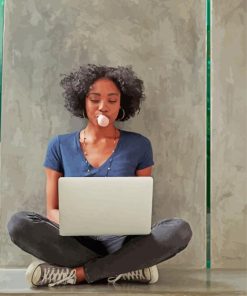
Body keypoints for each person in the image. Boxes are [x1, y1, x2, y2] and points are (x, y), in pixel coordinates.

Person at [7, 64, 193, 288]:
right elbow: (52, 209)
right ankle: (125, 269)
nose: (103, 107)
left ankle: (79, 274)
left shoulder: (140, 145)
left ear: (121, 104)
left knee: (179, 230)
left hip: (124, 242)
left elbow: (142, 207)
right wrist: (74, 223)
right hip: (75, 242)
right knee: (19, 224)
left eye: (112, 100)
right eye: (94, 99)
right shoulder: (59, 145)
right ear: (82, 101)